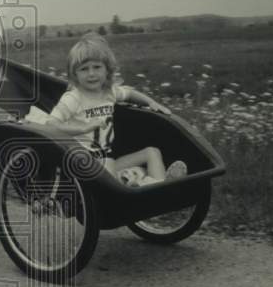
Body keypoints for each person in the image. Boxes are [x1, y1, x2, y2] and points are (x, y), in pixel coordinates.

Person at [44, 33, 187, 186]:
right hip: (83, 160)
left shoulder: (109, 92)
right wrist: (83, 127)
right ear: (75, 74)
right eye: (84, 69)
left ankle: (159, 185)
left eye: (97, 67)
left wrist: (151, 102)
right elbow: (51, 125)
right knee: (112, 169)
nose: (91, 73)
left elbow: (130, 94)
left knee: (152, 152)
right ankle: (138, 182)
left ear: (107, 70)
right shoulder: (73, 98)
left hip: (107, 158)